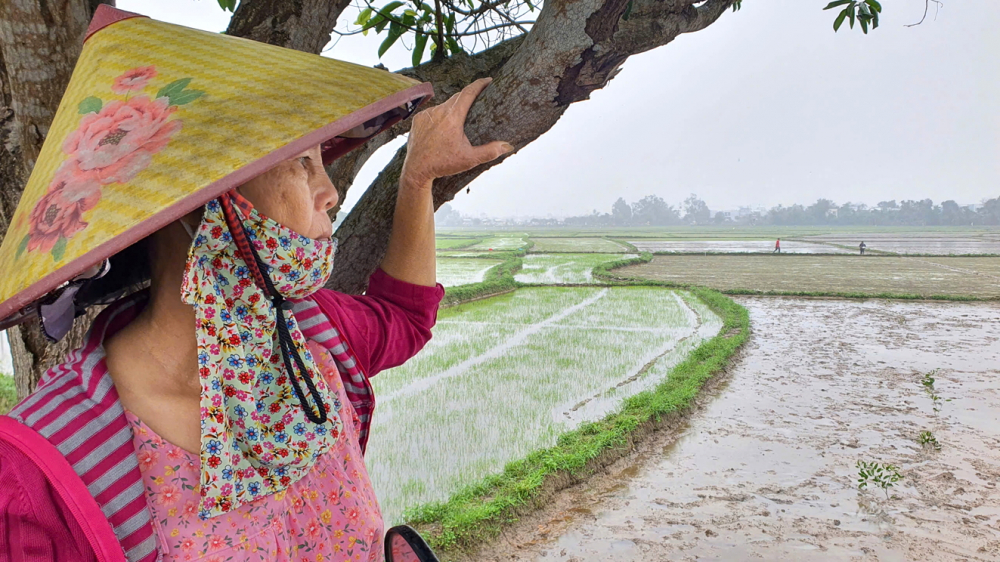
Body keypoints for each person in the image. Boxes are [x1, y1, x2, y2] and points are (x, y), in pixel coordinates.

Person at [0, 7, 512, 561]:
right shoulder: (41, 470)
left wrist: (418, 176)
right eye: (302, 163)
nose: (330, 192)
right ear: (203, 202)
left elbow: (404, 318)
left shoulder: (312, 336)